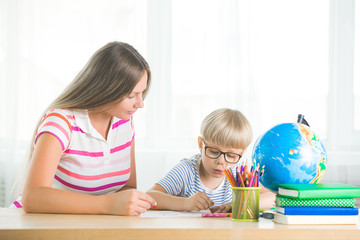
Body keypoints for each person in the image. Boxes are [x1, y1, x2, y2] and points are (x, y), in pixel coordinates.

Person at [11, 41, 156, 216]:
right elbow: (32, 197)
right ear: (106, 89)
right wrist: (107, 205)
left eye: (142, 93)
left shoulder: (125, 122)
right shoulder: (61, 122)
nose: (140, 104)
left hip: (89, 226)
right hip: (36, 225)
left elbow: (127, 188)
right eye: (132, 95)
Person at [147, 108, 258, 213]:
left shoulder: (240, 176)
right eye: (214, 151)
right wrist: (185, 203)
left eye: (231, 155)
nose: (221, 161)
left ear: (241, 154)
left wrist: (239, 203)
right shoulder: (187, 171)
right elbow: (149, 197)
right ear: (201, 145)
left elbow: (273, 195)